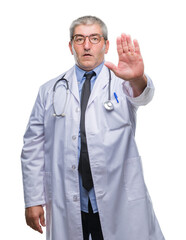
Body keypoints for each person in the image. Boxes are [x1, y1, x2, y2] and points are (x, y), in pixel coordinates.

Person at [21, 15, 165, 240]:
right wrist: (33, 199)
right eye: (79, 39)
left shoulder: (123, 82)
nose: (87, 45)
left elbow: (143, 96)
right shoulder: (49, 91)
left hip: (119, 198)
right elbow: (32, 148)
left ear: (106, 45)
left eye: (94, 38)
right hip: (69, 198)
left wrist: (138, 79)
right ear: (71, 46)